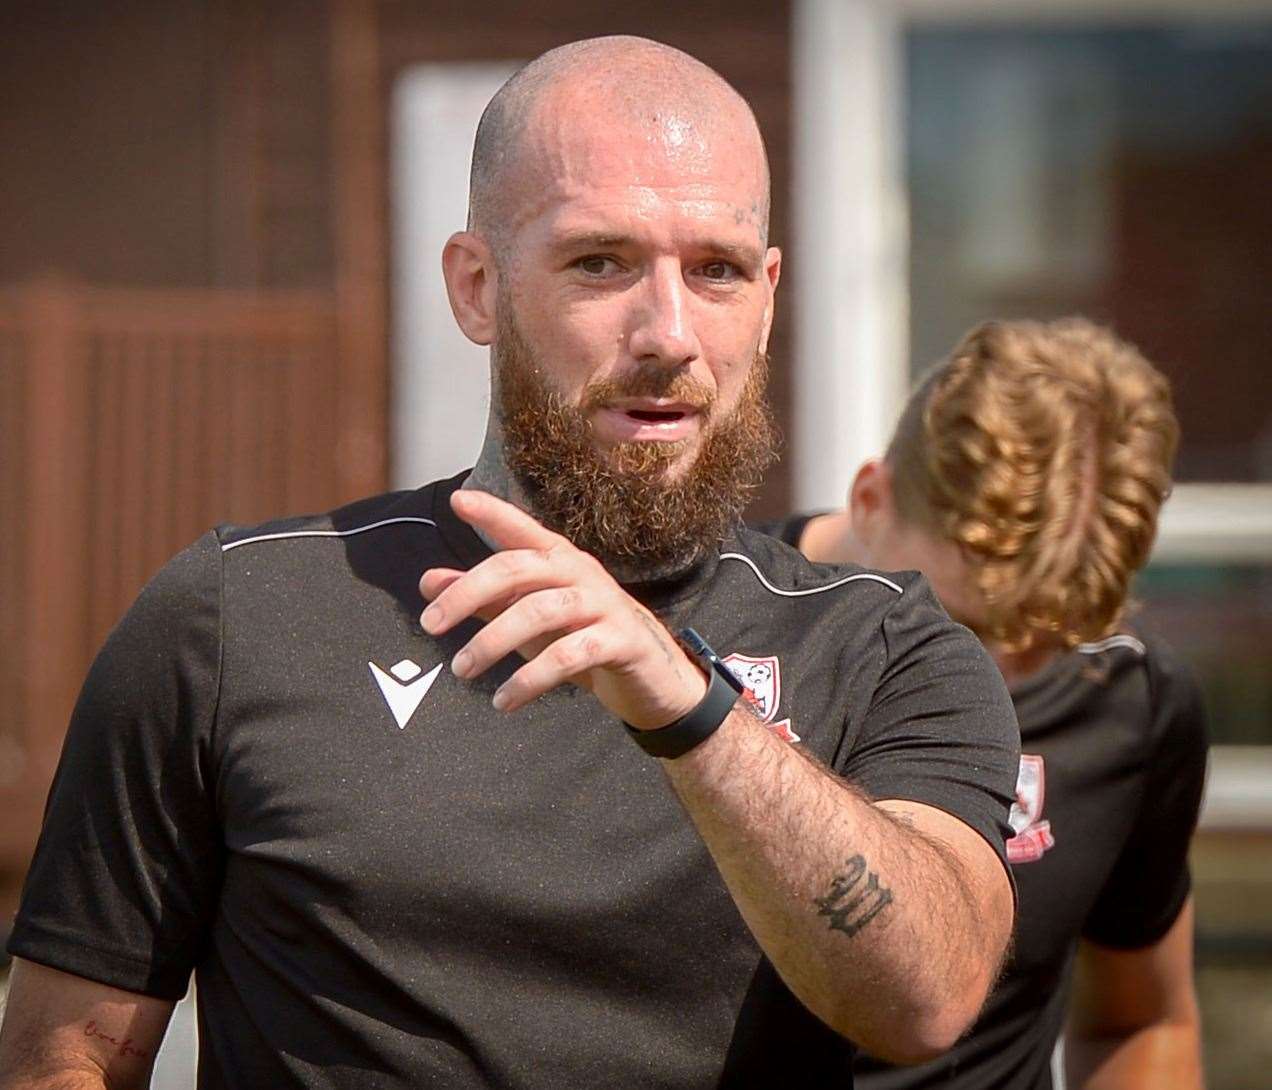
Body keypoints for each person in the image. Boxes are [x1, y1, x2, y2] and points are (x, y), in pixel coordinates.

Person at [0, 38, 1019, 1089]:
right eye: (601, 263)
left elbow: (928, 998)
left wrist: (684, 704)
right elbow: (61, 1056)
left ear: (765, 301)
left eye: (714, 269)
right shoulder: (237, 617)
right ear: (477, 287)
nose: (668, 332)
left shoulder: (887, 643)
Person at [762, 317, 1208, 1089]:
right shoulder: (709, 641)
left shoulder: (1129, 704)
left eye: (1044, 646)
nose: (993, 681)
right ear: (870, 498)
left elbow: (1143, 1020)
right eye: (962, 631)